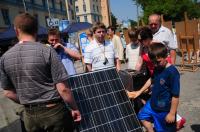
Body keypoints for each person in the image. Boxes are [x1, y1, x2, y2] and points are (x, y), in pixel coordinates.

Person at [0, 13, 81, 132]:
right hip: (54, 112)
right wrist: (75, 108)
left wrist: (27, 101)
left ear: (16, 31)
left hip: (30, 116)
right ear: (36, 30)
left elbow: (8, 93)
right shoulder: (47, 51)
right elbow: (63, 89)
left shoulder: (4, 58)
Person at [130, 42, 180, 132]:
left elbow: (175, 95)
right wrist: (139, 92)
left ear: (166, 56)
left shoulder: (172, 73)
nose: (155, 65)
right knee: (142, 116)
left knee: (163, 129)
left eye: (158, 62)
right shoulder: (157, 67)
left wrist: (172, 113)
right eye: (153, 62)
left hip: (164, 109)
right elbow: (151, 79)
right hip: (152, 103)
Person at [149, 13, 186, 130]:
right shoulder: (148, 31)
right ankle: (162, 122)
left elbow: (172, 49)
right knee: (158, 94)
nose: (153, 25)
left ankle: (173, 120)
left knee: (168, 96)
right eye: (151, 23)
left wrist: (171, 67)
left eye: (155, 23)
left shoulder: (167, 32)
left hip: (164, 67)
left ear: (160, 22)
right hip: (153, 67)